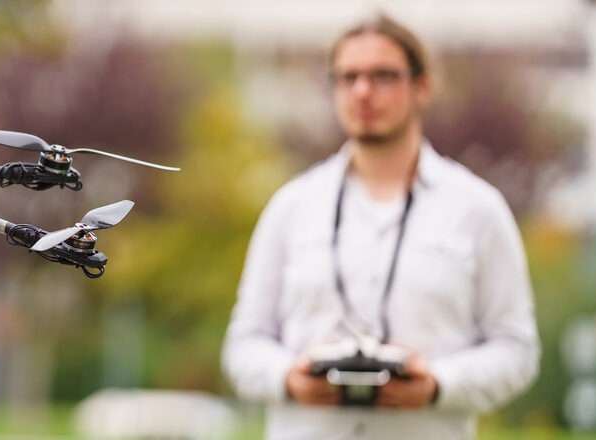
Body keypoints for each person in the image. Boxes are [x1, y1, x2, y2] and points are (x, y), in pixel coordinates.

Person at [220, 14, 540, 439]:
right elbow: (243, 346)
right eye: (348, 77)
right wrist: (289, 378)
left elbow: (517, 350)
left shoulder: (477, 210)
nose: (363, 91)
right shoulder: (291, 207)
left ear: (421, 86)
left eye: (383, 76)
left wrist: (440, 384)